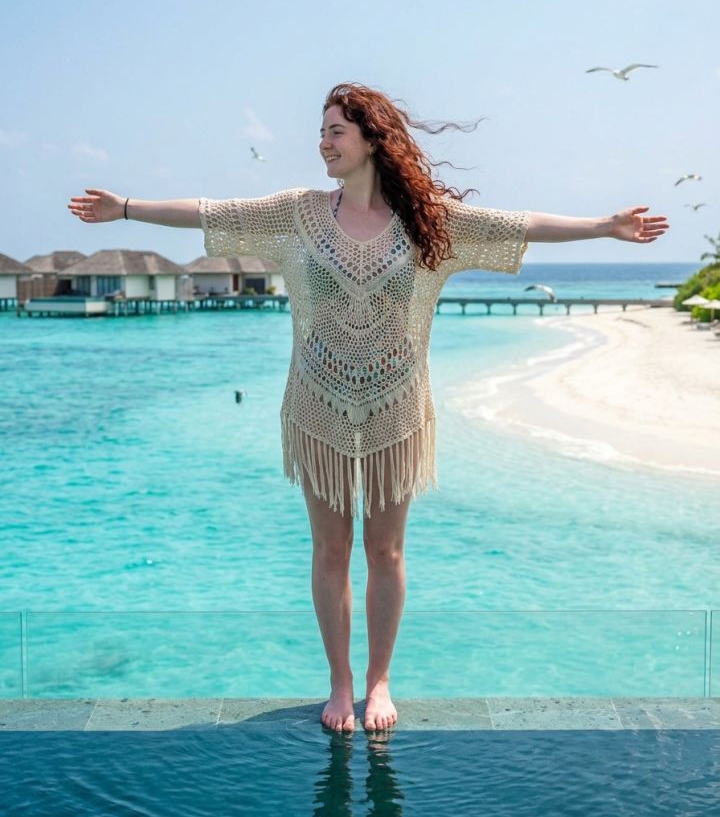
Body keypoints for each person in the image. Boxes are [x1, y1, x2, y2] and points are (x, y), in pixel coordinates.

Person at [67, 82, 669, 733]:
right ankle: (340, 683)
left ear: (371, 140)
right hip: (317, 405)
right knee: (331, 550)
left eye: (335, 132)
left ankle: (380, 681)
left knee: (386, 553)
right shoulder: (297, 212)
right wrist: (125, 209)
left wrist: (604, 227)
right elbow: (212, 213)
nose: (323, 143)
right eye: (322, 132)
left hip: (398, 409)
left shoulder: (429, 220)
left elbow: (518, 225)